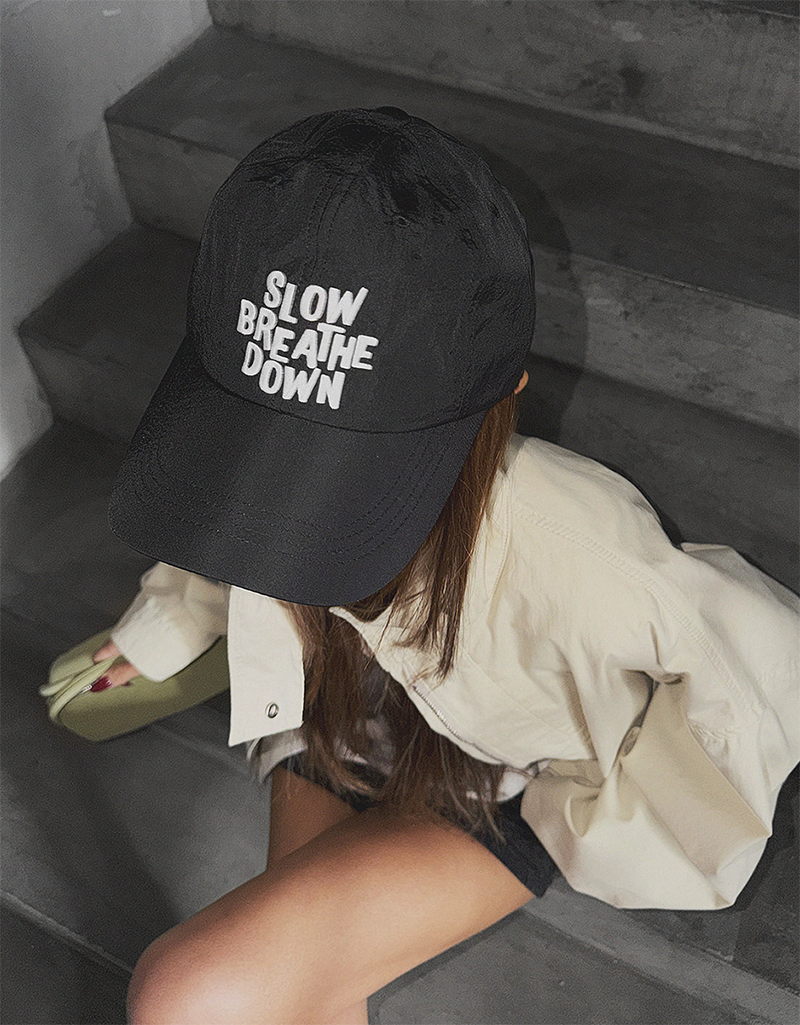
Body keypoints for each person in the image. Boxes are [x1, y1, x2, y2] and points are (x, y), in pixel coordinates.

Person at [91, 108, 800, 1025]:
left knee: (200, 992)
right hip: (331, 713)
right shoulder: (256, 482)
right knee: (274, 989)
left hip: (495, 779)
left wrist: (604, 827)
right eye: (260, 437)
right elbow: (230, 504)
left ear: (507, 389)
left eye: (342, 474)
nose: (296, 518)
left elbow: (764, 653)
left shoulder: (572, 539)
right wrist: (167, 619)